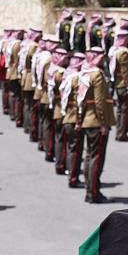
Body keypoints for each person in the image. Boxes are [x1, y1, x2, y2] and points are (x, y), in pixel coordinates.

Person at [78, 47, 116, 204]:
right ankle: (93, 191)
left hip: (87, 119)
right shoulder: (97, 75)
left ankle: (89, 187)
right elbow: (100, 102)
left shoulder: (84, 72)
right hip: (96, 121)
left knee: (89, 156)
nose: (103, 58)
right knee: (96, 157)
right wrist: (103, 122)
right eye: (100, 56)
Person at [60, 52, 85, 188]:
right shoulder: (77, 78)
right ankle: (73, 178)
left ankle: (70, 172)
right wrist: (79, 121)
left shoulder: (67, 74)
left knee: (70, 147)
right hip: (73, 118)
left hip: (66, 114)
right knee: (76, 149)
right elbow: (78, 103)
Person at [47, 47, 70, 175]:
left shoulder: (52, 69)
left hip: (56, 105)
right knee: (62, 138)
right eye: (66, 58)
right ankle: (61, 164)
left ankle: (59, 162)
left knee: (58, 136)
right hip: (61, 107)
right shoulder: (60, 73)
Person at [33, 38, 57, 157]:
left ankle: (42, 142)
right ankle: (48, 147)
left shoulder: (41, 56)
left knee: (44, 121)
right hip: (48, 95)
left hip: (42, 92)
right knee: (48, 124)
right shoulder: (48, 60)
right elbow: (48, 81)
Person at [109, 31, 128, 142]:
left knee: (120, 110)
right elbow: (125, 71)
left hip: (118, 84)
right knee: (125, 110)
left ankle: (119, 131)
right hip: (123, 85)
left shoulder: (115, 51)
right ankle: (122, 133)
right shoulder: (123, 52)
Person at [20, 28, 42, 139]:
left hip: (26, 75)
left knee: (27, 104)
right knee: (31, 106)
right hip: (31, 77)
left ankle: (27, 126)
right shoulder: (33, 47)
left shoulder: (26, 44)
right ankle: (31, 128)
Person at [5, 29, 24, 126]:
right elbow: (17, 60)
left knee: (12, 94)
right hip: (15, 72)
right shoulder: (17, 45)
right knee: (17, 96)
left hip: (10, 70)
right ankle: (17, 115)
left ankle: (12, 113)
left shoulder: (10, 43)